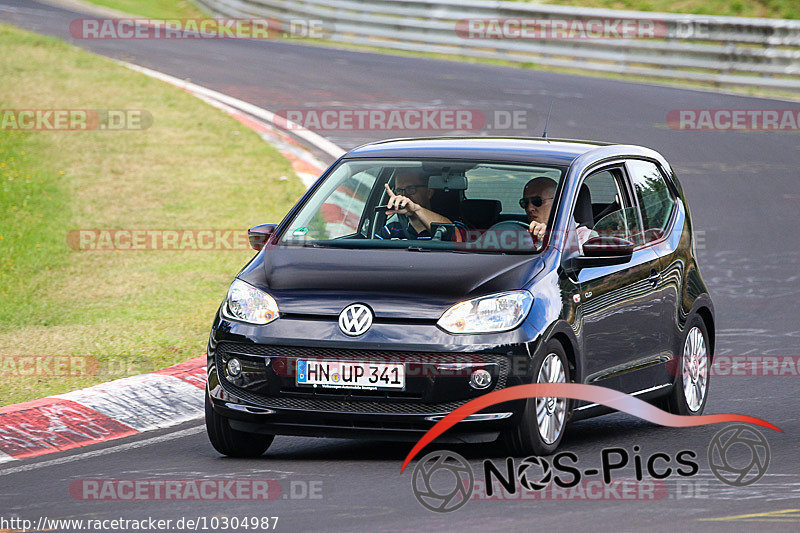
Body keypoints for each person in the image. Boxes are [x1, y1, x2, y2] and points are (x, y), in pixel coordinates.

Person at [376, 168, 463, 240]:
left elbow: (457, 239)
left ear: (429, 192)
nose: (404, 196)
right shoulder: (391, 230)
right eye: (399, 190)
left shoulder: (455, 224)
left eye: (410, 188)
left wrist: (416, 209)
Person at [520, 177, 594, 247]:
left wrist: (551, 238)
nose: (529, 208)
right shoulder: (520, 233)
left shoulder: (586, 236)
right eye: (525, 202)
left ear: (557, 202)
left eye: (537, 201)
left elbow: (572, 256)